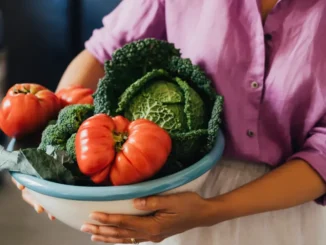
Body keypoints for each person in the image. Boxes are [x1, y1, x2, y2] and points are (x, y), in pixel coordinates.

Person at [13, 0, 326, 244]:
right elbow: (103, 53)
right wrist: (49, 154)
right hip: (165, 186)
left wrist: (213, 210)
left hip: (281, 206)